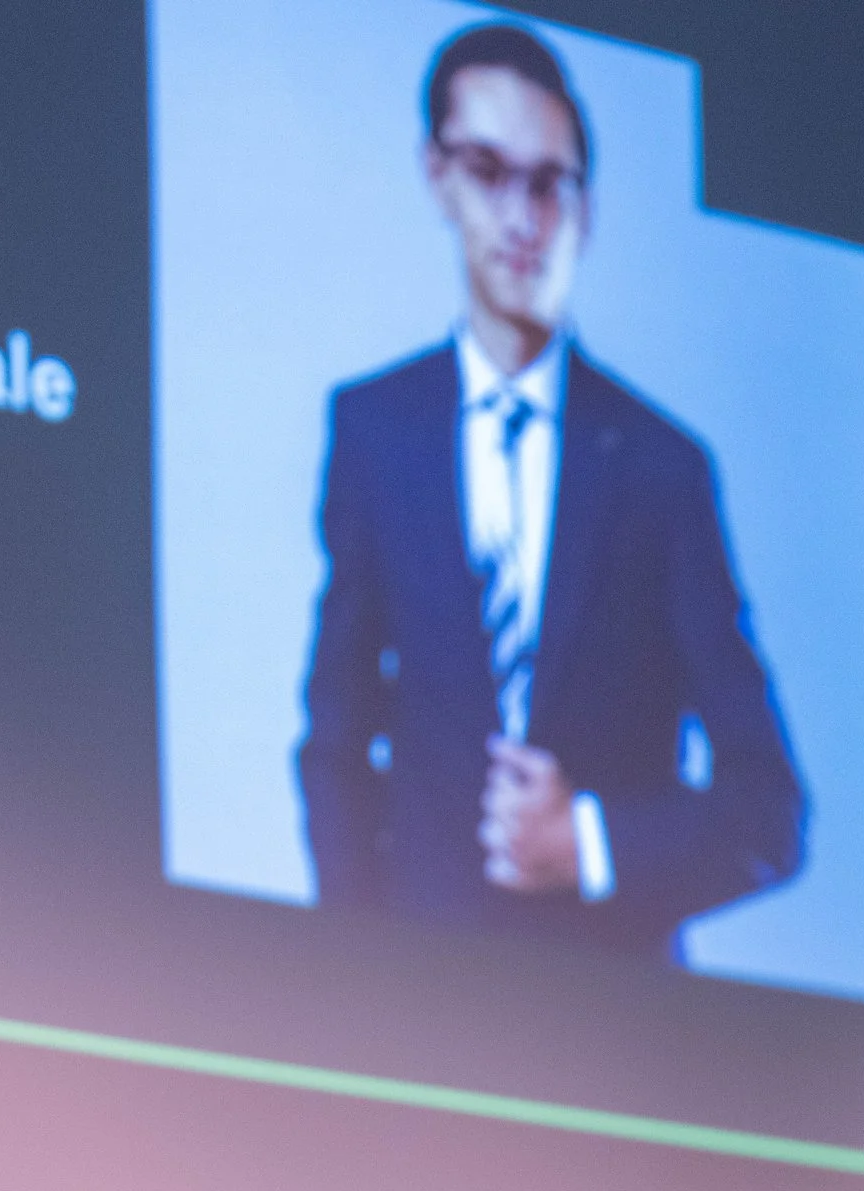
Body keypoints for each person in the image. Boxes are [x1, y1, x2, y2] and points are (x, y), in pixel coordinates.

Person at [298, 24, 805, 960]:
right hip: (413, 1006)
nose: (522, 219)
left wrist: (590, 843)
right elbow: (335, 743)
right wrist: (353, 966)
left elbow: (768, 810)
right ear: (436, 175)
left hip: (612, 1033)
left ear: (587, 207)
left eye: (549, 183)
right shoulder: (375, 430)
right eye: (487, 171)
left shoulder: (662, 467)